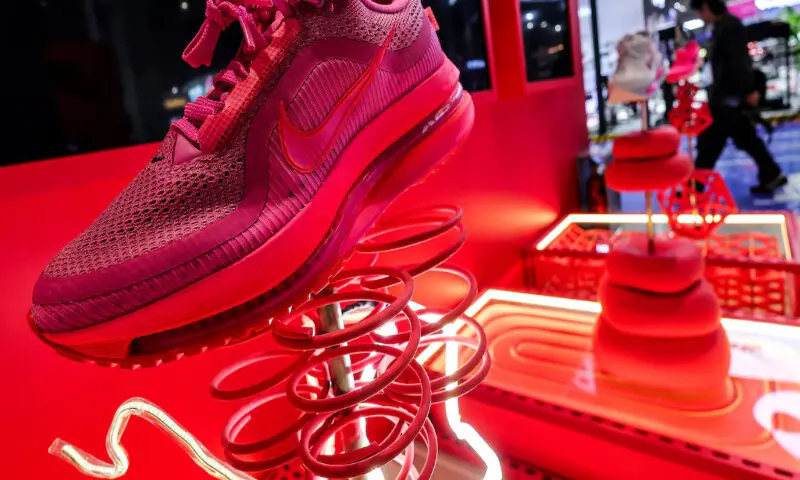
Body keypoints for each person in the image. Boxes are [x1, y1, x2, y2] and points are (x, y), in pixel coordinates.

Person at [690, 0, 786, 195]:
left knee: (713, 142)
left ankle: (695, 185)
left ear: (706, 7)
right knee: (742, 139)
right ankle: (772, 174)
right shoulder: (723, 25)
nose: (700, 17)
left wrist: (749, 90)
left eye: (700, 12)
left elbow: (739, 61)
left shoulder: (729, 27)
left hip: (729, 98)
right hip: (727, 96)